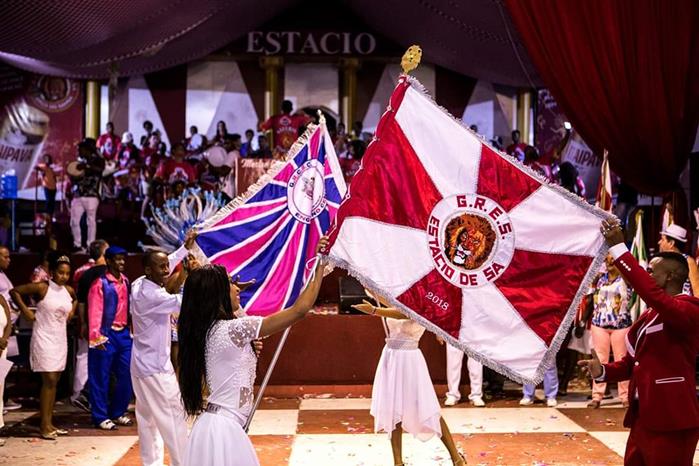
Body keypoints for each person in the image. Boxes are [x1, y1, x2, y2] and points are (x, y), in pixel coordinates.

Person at [179, 238, 329, 466]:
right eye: (231, 283)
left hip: (220, 425)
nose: (237, 288)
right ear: (216, 294)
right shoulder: (233, 329)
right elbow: (299, 310)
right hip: (223, 429)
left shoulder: (211, 329)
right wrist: (320, 263)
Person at [580, 219, 699, 466]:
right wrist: (602, 371)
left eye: (652, 271)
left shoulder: (689, 310)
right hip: (643, 416)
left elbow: (650, 293)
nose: (647, 274)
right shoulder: (648, 315)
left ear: (670, 277)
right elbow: (633, 363)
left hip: (671, 418)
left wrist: (620, 250)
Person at [352, 298, 466, 466]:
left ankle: (457, 459)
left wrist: (374, 310)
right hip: (391, 357)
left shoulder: (421, 300)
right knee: (393, 410)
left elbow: (405, 313)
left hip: (410, 359)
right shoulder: (400, 296)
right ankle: (398, 462)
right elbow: (387, 300)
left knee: (429, 410)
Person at [129, 231, 197, 466]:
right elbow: (186, 301)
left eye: (167, 265)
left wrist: (184, 249)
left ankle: (152, 463)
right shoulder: (153, 296)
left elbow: (165, 262)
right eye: (161, 267)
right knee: (173, 416)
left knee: (147, 419)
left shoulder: (139, 283)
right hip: (156, 369)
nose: (166, 269)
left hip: (140, 365)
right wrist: (196, 276)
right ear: (149, 270)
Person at [10, 254, 77, 440]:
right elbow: (14, 291)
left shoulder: (68, 291)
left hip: (59, 339)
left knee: (54, 381)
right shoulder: (42, 288)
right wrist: (25, 311)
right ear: (52, 273)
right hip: (43, 337)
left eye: (67, 273)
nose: (64, 276)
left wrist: (70, 315)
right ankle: (44, 425)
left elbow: (76, 299)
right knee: (48, 380)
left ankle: (49, 422)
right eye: (61, 273)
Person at [87, 246, 132, 430]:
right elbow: (95, 311)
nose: (121, 262)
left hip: (123, 334)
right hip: (105, 334)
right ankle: (100, 416)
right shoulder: (100, 283)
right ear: (108, 261)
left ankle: (118, 411)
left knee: (126, 373)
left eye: (123, 259)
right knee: (100, 376)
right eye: (117, 259)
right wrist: (96, 337)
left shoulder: (126, 281)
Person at [588, 253, 632, 408]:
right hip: (599, 324)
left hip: (620, 325)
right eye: (607, 258)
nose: (609, 261)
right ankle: (597, 396)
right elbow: (589, 295)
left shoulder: (625, 278)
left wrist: (620, 265)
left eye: (612, 258)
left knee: (621, 360)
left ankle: (625, 396)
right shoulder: (600, 278)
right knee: (599, 360)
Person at [72, 239, 109, 412]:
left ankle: (81, 393)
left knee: (85, 358)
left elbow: (80, 304)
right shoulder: (109, 273)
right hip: (106, 326)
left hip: (90, 324)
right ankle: (88, 396)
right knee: (103, 363)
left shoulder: (84, 274)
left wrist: (84, 323)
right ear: (104, 253)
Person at [70, 138, 105, 252]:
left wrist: (87, 167)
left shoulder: (97, 160)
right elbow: (75, 177)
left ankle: (90, 245)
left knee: (90, 221)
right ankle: (77, 244)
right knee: (74, 221)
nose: (78, 151)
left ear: (86, 149)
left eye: (80, 149)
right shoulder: (80, 162)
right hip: (78, 194)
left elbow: (100, 170)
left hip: (91, 195)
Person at [657, 224, 699, 297]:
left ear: (671, 243)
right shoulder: (660, 261)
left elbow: (697, 291)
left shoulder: (688, 261)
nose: (659, 242)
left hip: (683, 305)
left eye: (663, 239)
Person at [441, 340, 485, 407]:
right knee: (453, 362)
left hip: (474, 332)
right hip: (453, 331)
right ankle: (453, 394)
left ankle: (476, 394)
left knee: (476, 363)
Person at [0, 295, 11, 446]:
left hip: (2, 347)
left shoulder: (1, 298)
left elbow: (8, 323)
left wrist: (3, 340)